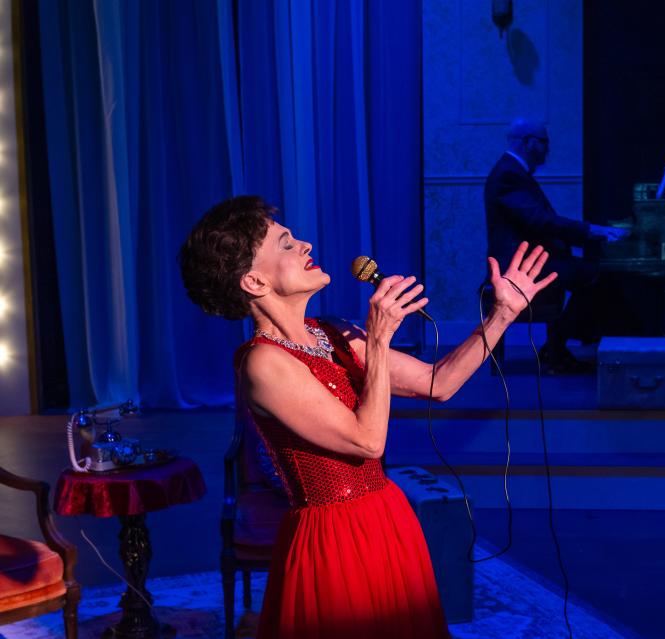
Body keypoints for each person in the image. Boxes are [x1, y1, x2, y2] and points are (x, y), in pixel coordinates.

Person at [178, 195, 556, 638]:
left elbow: (440, 383)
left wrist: (501, 314)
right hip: (332, 537)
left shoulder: (334, 331)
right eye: (285, 244)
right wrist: (376, 341)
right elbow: (366, 441)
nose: (303, 244)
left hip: (386, 515)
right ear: (255, 281)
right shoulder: (262, 363)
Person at [484, 118, 628, 373]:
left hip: (531, 261)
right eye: (544, 142)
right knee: (596, 275)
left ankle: (559, 345)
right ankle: (557, 346)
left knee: (593, 274)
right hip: (519, 267)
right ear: (528, 142)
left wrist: (591, 233)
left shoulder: (513, 173)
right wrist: (594, 231)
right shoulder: (509, 175)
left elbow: (541, 223)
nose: (547, 149)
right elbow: (540, 221)